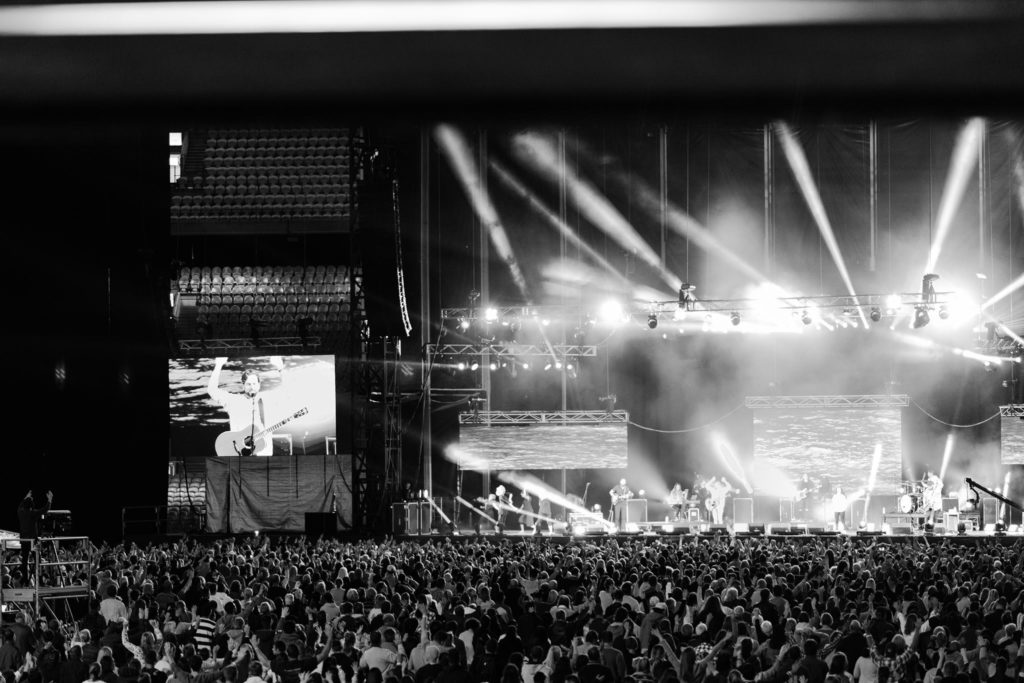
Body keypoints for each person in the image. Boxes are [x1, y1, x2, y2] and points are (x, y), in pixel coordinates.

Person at [207, 356, 286, 456]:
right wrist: (218, 364)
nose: (252, 387)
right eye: (248, 384)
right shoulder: (233, 401)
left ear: (259, 384)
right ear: (243, 385)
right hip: (239, 453)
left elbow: (286, 392)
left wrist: (280, 369)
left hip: (263, 454)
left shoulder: (267, 399)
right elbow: (212, 390)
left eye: (254, 383)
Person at [17, 489, 52, 580]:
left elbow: (20, 505)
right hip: (33, 541)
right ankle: (39, 580)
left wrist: (26, 497)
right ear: (32, 506)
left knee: (24, 562)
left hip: (24, 540)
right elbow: (45, 510)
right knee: (37, 560)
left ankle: (25, 580)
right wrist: (49, 500)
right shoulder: (33, 513)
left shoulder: (20, 512)